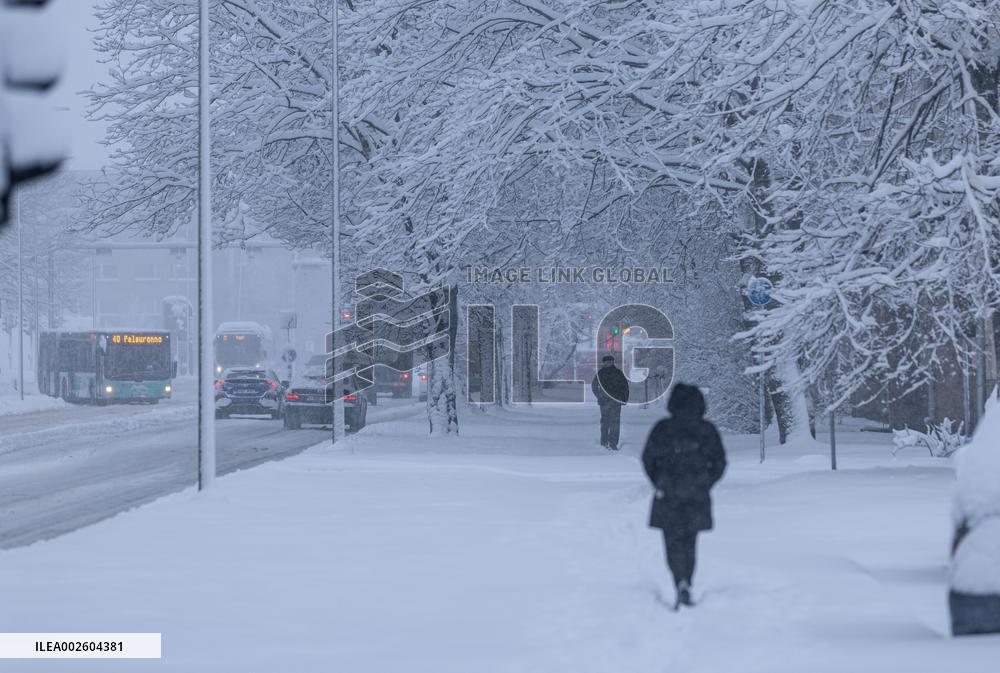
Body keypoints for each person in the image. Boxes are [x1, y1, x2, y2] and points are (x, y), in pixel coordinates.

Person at [642, 383, 726, 609]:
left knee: (672, 542)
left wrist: (658, 481)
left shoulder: (663, 429)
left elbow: (648, 459)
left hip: (668, 494)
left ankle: (678, 579)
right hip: (697, 495)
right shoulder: (706, 430)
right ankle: (687, 580)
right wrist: (706, 482)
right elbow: (719, 462)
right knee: (690, 541)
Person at [591, 355, 629, 450]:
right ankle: (606, 442)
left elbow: (625, 387)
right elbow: (594, 387)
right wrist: (599, 396)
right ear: (604, 363)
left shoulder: (616, 373)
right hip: (608, 401)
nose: (608, 363)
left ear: (613, 362)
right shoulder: (603, 373)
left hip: (613, 401)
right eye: (607, 361)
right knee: (607, 422)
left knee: (612, 422)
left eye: (610, 361)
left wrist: (624, 399)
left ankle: (611, 443)